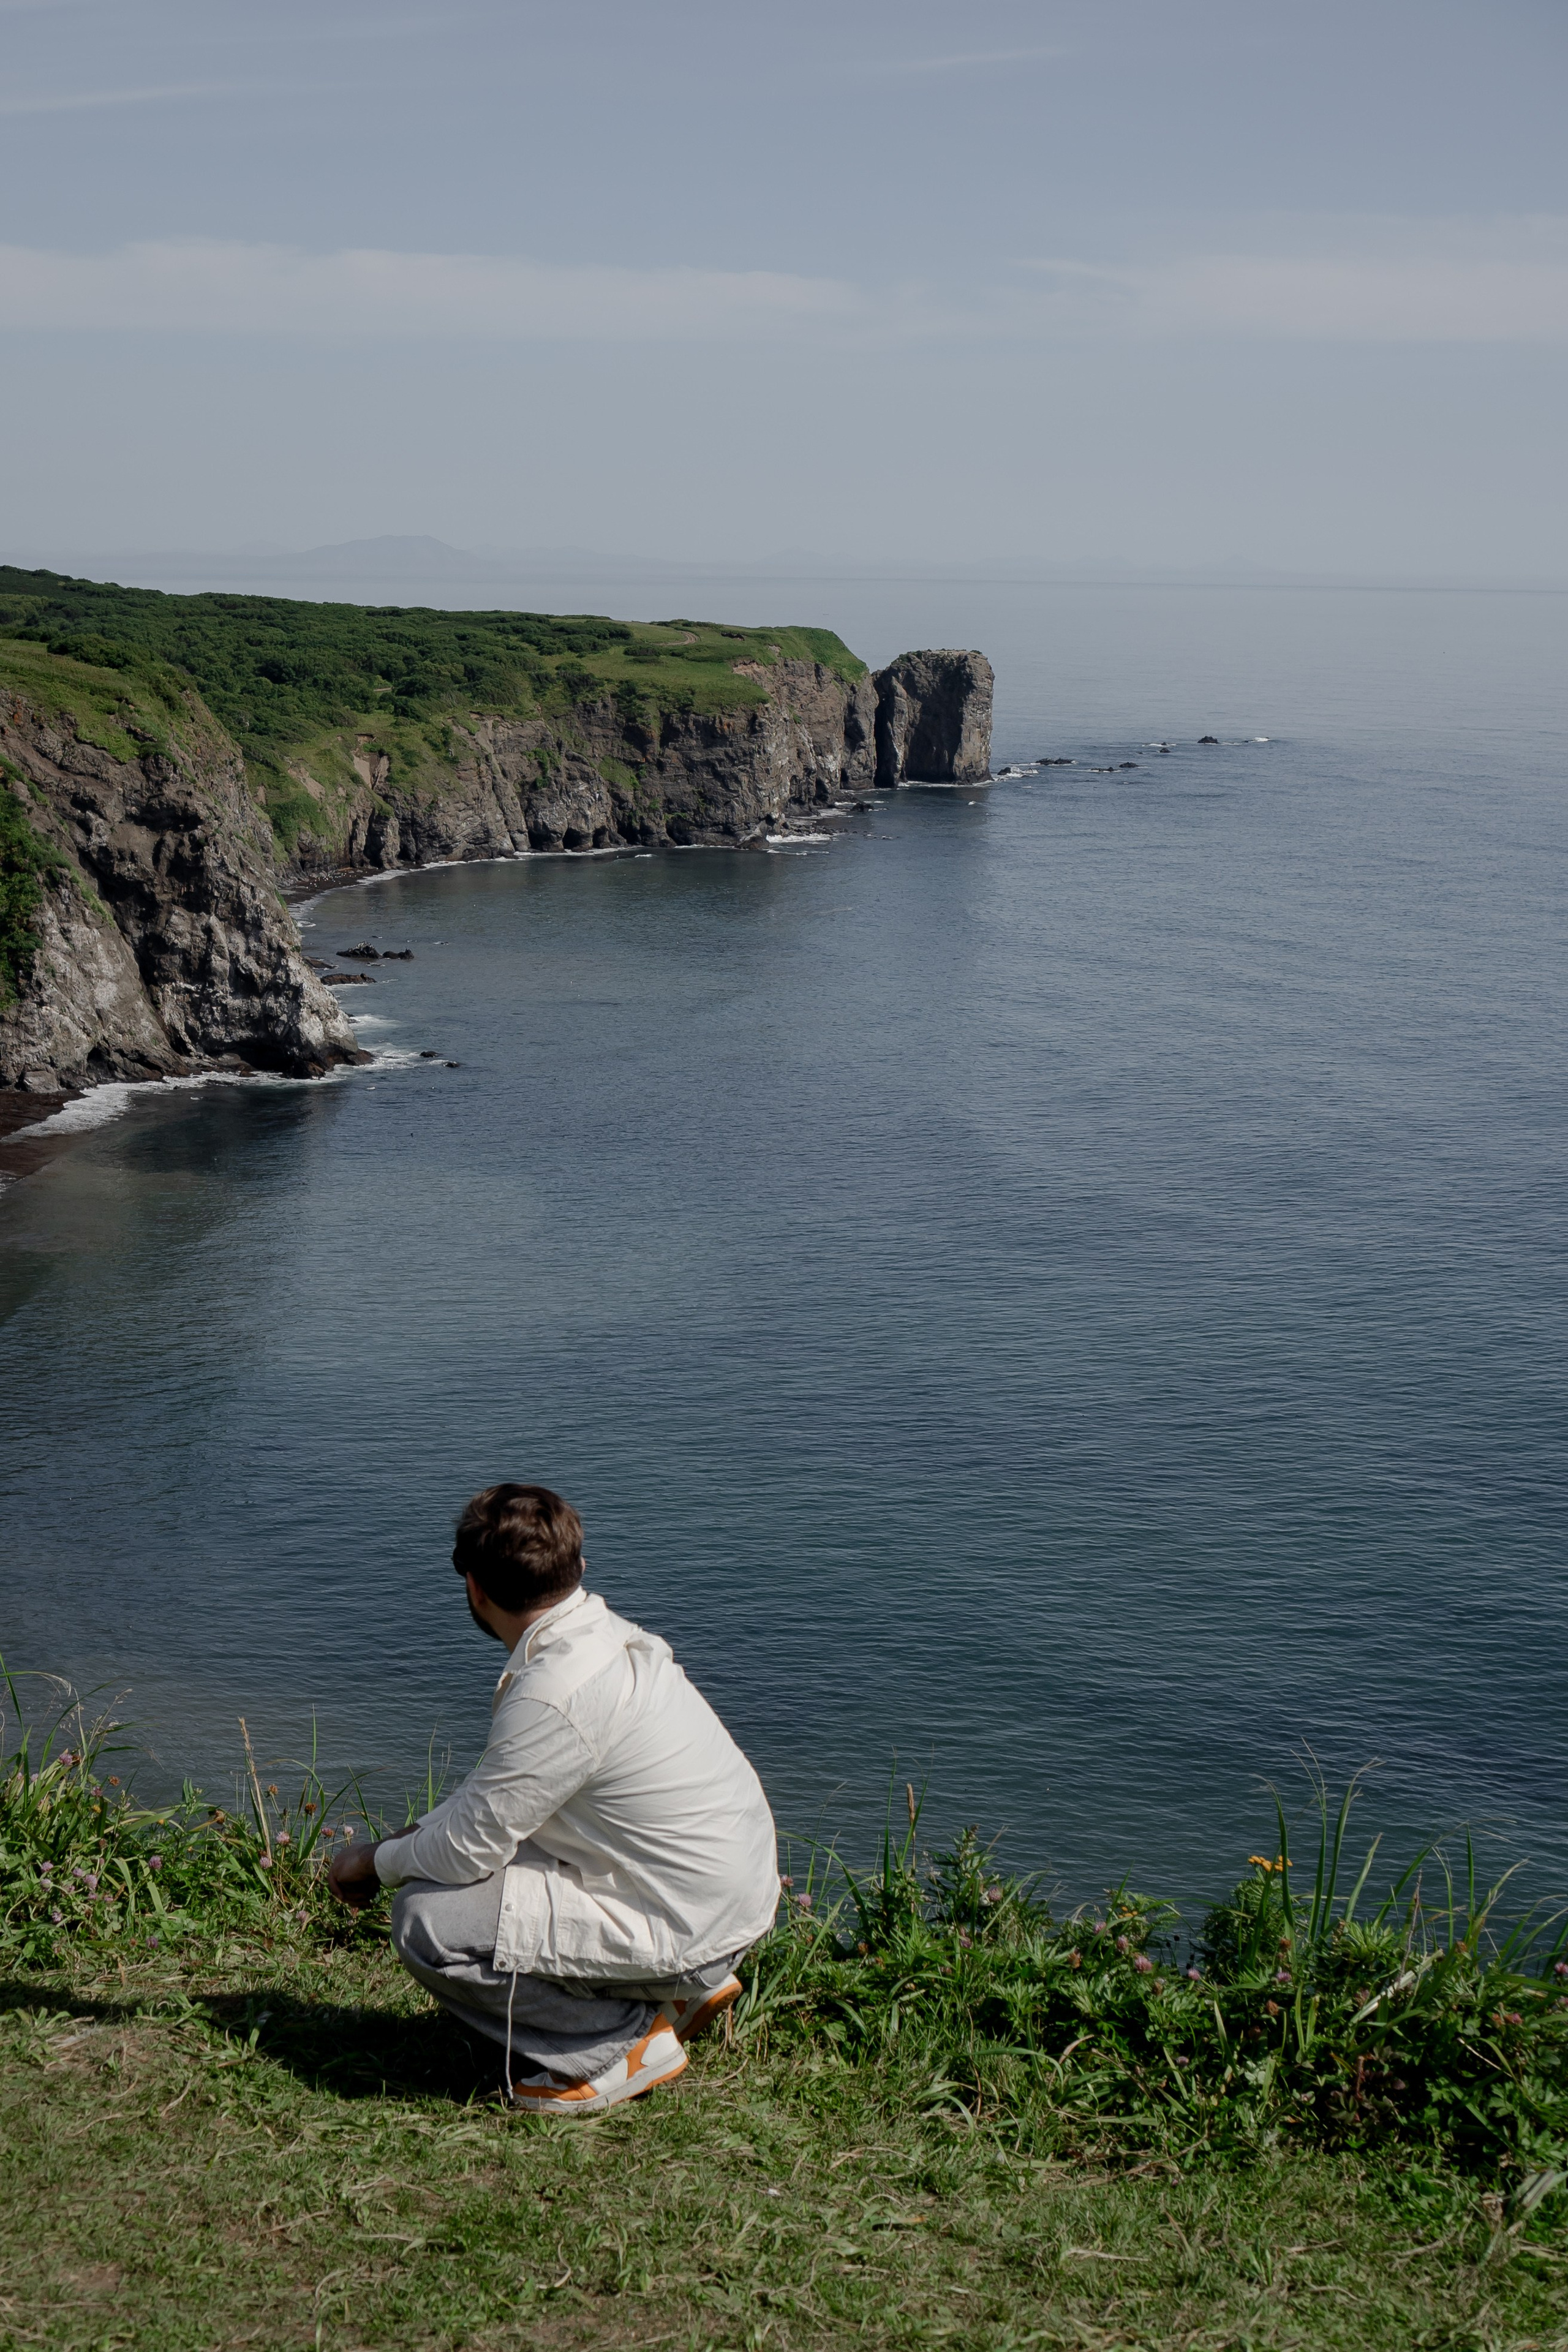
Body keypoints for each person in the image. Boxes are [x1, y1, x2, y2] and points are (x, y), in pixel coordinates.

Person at [328, 1482, 780, 2115]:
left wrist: (372, 1862)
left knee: (425, 1920)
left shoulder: (554, 1692)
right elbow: (492, 1810)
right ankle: (680, 1992)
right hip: (726, 1896)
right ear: (579, 1568)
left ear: (475, 1589)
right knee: (479, 1867)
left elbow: (465, 1852)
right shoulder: (604, 1640)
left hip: (689, 1920)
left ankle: (615, 2047)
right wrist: (406, 1841)